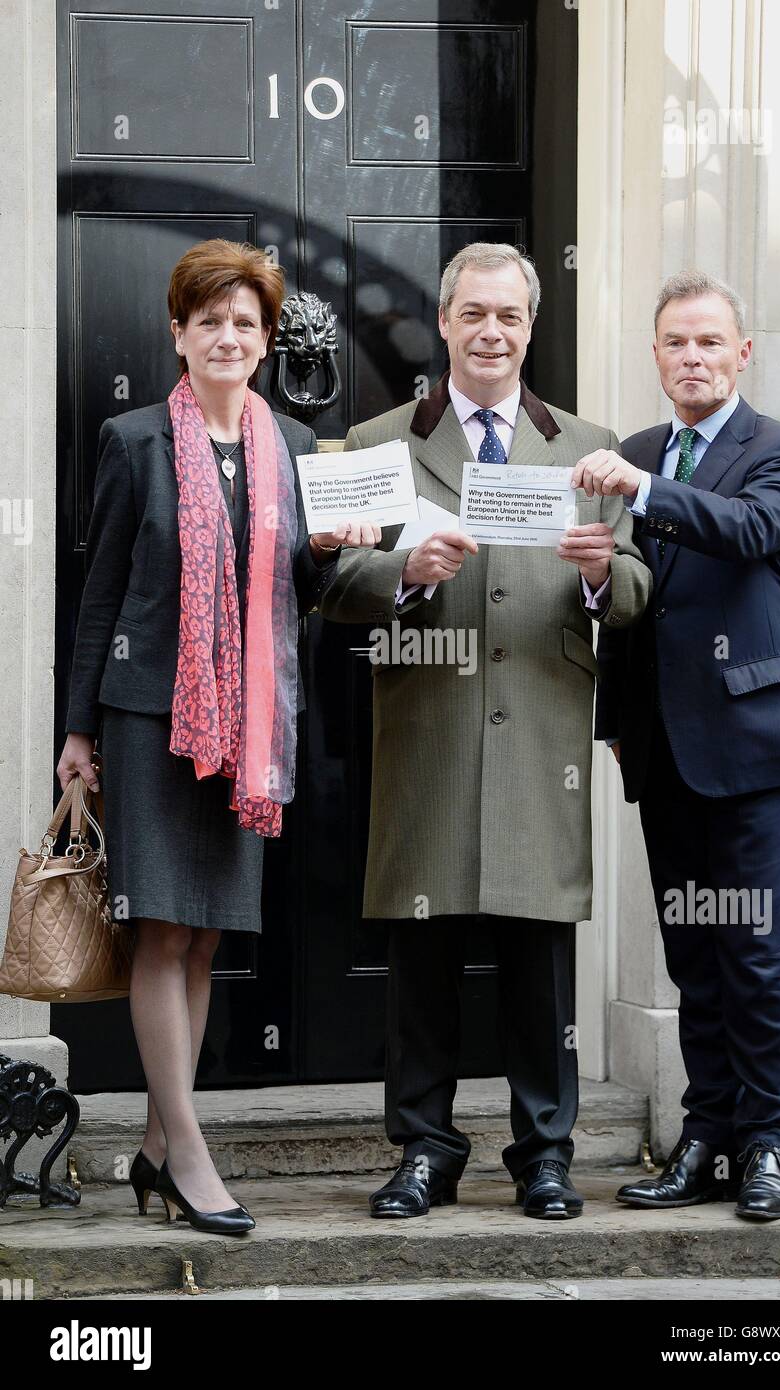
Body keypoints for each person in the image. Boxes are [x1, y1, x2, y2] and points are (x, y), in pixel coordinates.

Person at [319, 242, 651, 1219]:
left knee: (538, 965)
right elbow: (331, 581)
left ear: (530, 327)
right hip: (427, 731)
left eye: (509, 316)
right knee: (420, 963)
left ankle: (543, 1153)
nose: (492, 332)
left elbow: (632, 592)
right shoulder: (379, 439)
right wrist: (406, 572)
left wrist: (598, 571)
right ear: (447, 320)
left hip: (541, 737)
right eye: (475, 314)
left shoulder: (589, 449)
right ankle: (424, 1148)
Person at [57, 239, 380, 1235]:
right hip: (152, 718)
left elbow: (301, 590)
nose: (228, 337)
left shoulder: (288, 450)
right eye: (210, 321)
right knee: (162, 930)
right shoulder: (135, 440)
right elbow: (98, 587)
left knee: (201, 937)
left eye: (246, 322)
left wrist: (336, 554)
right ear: (178, 333)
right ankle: (191, 1151)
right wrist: (76, 731)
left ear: (267, 338)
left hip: (247, 725)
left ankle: (161, 1144)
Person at [578, 270, 780, 1221]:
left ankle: (771, 1144)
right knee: (693, 955)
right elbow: (626, 601)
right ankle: (707, 1138)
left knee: (758, 953)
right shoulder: (637, 450)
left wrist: (644, 488)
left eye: (708, 343)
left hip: (759, 744)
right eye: (675, 344)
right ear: (656, 355)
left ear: (742, 352)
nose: (692, 358)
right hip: (664, 748)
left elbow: (751, 531)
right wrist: (615, 721)